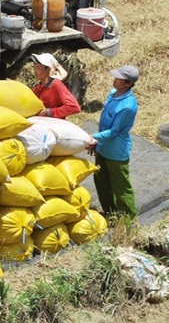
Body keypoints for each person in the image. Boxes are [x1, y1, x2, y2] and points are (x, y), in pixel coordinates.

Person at [87, 65, 140, 219]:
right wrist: (98, 142)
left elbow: (114, 131)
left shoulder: (128, 106)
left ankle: (130, 219)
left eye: (119, 79)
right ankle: (111, 214)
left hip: (116, 152)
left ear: (128, 84)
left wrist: (94, 137)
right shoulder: (112, 94)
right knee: (101, 182)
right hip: (103, 148)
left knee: (121, 187)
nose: (115, 81)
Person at [30, 53, 81, 119]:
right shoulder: (39, 88)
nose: (35, 71)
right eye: (34, 67)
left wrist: (49, 112)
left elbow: (74, 107)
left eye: (38, 68)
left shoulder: (56, 85)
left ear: (48, 69)